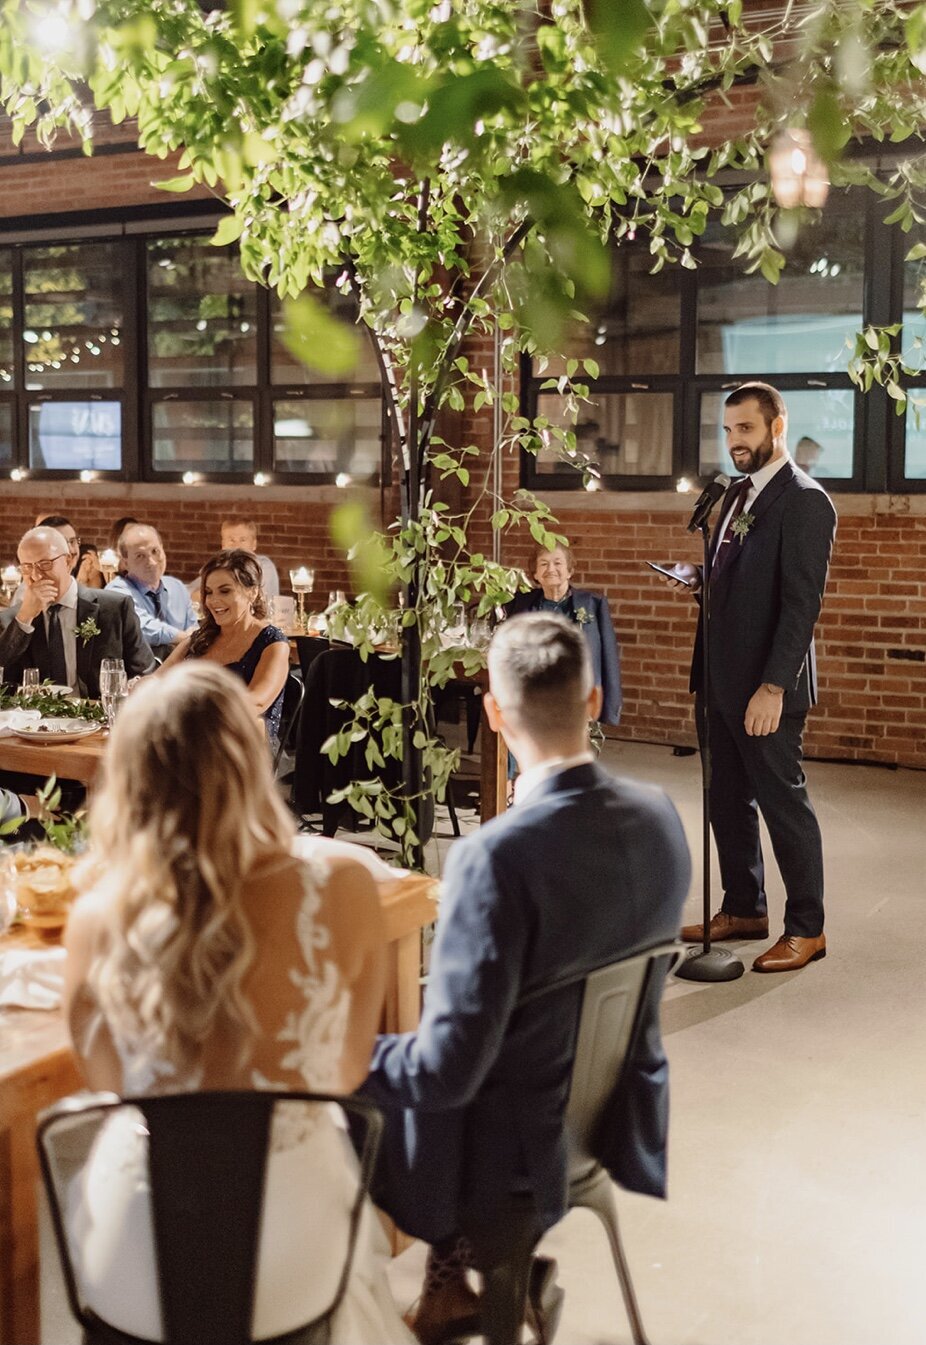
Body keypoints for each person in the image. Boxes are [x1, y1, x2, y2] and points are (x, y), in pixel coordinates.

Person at [361, 613, 690, 1344]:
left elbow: (445, 1071)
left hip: (515, 1143)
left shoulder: (496, 855)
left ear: (492, 712)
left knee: (347, 1094)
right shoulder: (660, 817)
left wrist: (349, 1053)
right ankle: (459, 1289)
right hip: (607, 1110)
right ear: (595, 699)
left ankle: (340, 1302)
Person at [61, 663, 413, 1344]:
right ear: (248, 759)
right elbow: (341, 1073)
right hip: (290, 1257)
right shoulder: (342, 887)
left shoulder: (96, 914)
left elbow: (108, 1084)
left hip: (139, 1261)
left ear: (131, 774)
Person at [668, 382, 837, 973]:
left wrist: (773, 687)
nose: (735, 440)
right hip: (718, 676)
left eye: (746, 428)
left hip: (766, 686)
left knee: (781, 803)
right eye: (728, 429)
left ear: (777, 426)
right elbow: (738, 580)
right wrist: (699, 578)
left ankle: (807, 928)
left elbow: (800, 606)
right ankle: (743, 907)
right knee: (727, 801)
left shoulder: (805, 501)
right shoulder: (735, 495)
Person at [0, 526, 155, 696]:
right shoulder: (12, 620)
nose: (36, 576)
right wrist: (25, 616)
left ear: (67, 561)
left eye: (45, 564)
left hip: (100, 716)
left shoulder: (114, 608)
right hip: (35, 719)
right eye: (27, 567)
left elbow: (145, 672)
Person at [160, 549, 290, 743]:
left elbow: (256, 702)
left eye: (225, 591)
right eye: (209, 592)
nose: (213, 601)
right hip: (190, 740)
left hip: (243, 752)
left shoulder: (273, 643)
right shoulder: (200, 638)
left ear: (252, 592)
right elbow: (156, 679)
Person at [507, 542, 622, 727]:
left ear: (570, 571)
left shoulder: (594, 604)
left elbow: (609, 656)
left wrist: (610, 706)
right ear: (535, 574)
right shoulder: (519, 604)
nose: (551, 569)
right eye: (543, 564)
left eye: (557, 563)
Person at [107, 523, 197, 660]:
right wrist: (186, 638)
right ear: (125, 563)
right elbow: (142, 628)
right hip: (138, 675)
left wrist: (193, 637)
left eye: (155, 551)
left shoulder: (177, 587)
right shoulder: (117, 592)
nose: (152, 562)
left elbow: (194, 628)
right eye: (140, 556)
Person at [220, 516, 281, 599]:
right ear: (223, 545)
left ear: (254, 544)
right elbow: (197, 592)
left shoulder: (263, 566)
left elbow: (251, 598)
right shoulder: (218, 566)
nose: (236, 546)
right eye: (231, 540)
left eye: (243, 540)